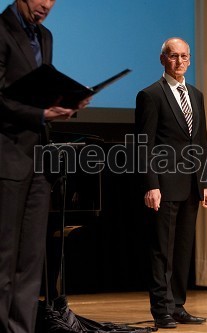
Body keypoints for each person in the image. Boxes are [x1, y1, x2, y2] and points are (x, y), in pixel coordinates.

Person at [0, 1, 91, 332]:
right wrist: (39, 114)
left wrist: (66, 102)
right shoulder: (1, 30)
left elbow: (38, 91)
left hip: (40, 158)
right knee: (5, 256)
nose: (47, 5)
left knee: (31, 259)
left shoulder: (46, 36)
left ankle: (21, 328)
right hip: (7, 156)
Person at [135, 37, 207, 329]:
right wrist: (151, 184)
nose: (179, 62)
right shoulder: (151, 95)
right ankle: (161, 309)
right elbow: (145, 145)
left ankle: (178, 305)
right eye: (173, 56)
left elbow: (201, 142)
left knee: (182, 250)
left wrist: (205, 183)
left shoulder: (196, 95)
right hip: (164, 186)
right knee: (162, 251)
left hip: (191, 185)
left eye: (184, 56)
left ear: (190, 60)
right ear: (162, 59)